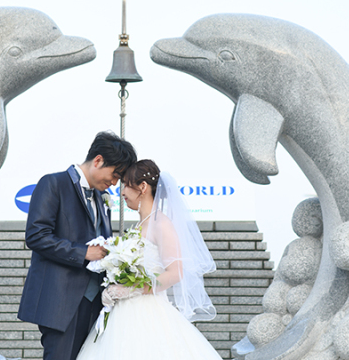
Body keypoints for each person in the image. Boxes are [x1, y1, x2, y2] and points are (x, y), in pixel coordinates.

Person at [75, 159, 222, 360]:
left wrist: (132, 289)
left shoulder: (161, 223)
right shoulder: (138, 225)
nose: (122, 191)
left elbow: (175, 272)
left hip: (148, 313)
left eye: (126, 184)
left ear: (142, 187)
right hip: (122, 314)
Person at [18, 131, 137, 360]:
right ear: (99, 160)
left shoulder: (102, 200)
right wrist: (84, 252)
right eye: (114, 176)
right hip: (62, 302)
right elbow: (36, 235)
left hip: (96, 304)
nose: (113, 184)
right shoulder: (53, 183)